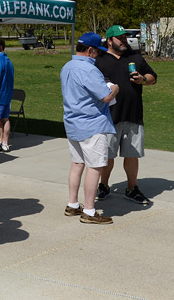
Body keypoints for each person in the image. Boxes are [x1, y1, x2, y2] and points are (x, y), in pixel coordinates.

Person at [94, 25, 157, 204]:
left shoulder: (135, 57)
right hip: (109, 117)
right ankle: (103, 186)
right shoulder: (100, 60)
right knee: (107, 155)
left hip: (133, 114)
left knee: (132, 155)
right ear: (109, 40)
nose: (124, 40)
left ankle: (132, 188)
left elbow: (153, 77)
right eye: (119, 38)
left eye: (124, 37)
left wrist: (143, 79)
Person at [60, 32, 118, 225]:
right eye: (97, 52)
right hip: (92, 123)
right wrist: (114, 88)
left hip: (72, 122)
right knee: (95, 167)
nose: (97, 56)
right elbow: (106, 96)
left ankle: (73, 204)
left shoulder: (67, 66)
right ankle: (90, 211)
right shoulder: (89, 69)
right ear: (90, 50)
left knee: (77, 164)